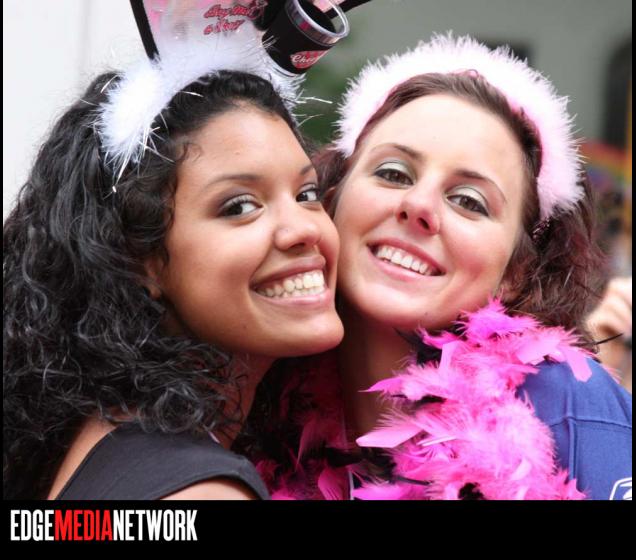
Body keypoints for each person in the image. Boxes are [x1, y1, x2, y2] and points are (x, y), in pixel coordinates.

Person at [243, 34, 632, 500]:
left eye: (468, 200)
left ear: (516, 272)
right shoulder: (259, 403)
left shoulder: (569, 406)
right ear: (330, 203)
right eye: (393, 173)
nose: (419, 205)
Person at [3, 21, 344, 500]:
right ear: (138, 259)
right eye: (239, 206)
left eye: (306, 193)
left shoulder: (105, 442)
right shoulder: (202, 492)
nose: (304, 229)